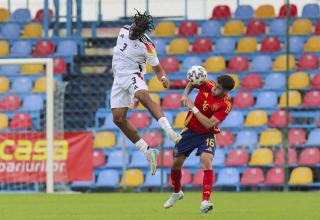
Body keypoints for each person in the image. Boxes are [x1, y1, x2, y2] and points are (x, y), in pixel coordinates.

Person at [111, 10, 181, 175]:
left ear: (143, 32)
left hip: (133, 75)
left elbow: (158, 68)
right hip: (118, 79)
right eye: (133, 29)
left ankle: (169, 131)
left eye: (137, 32)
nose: (133, 33)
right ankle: (148, 151)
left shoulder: (148, 46)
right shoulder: (124, 29)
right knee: (118, 119)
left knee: (143, 96)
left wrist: (163, 77)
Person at [163, 75, 235, 213]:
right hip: (189, 131)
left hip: (207, 134)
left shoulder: (226, 105)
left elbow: (209, 124)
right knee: (176, 164)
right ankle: (177, 192)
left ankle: (205, 201)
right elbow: (192, 82)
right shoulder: (207, 84)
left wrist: (193, 107)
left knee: (206, 159)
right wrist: (185, 96)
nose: (214, 89)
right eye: (215, 85)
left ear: (225, 92)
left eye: (218, 89)